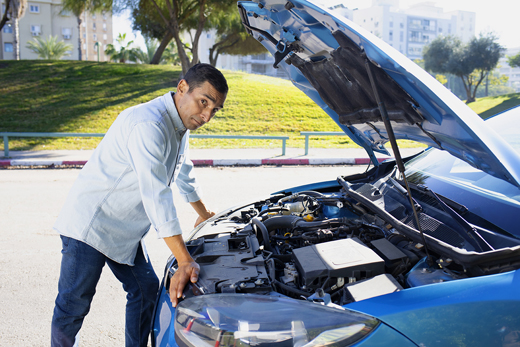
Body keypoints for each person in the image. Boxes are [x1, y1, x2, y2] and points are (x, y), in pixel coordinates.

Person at [51, 63, 228, 347]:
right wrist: (184, 260)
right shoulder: (149, 124)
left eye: (214, 109)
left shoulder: (180, 124)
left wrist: (204, 213)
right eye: (203, 102)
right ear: (182, 88)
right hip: (91, 225)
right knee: (74, 304)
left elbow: (183, 171)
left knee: (145, 291)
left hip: (125, 231)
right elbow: (157, 195)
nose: (207, 116)